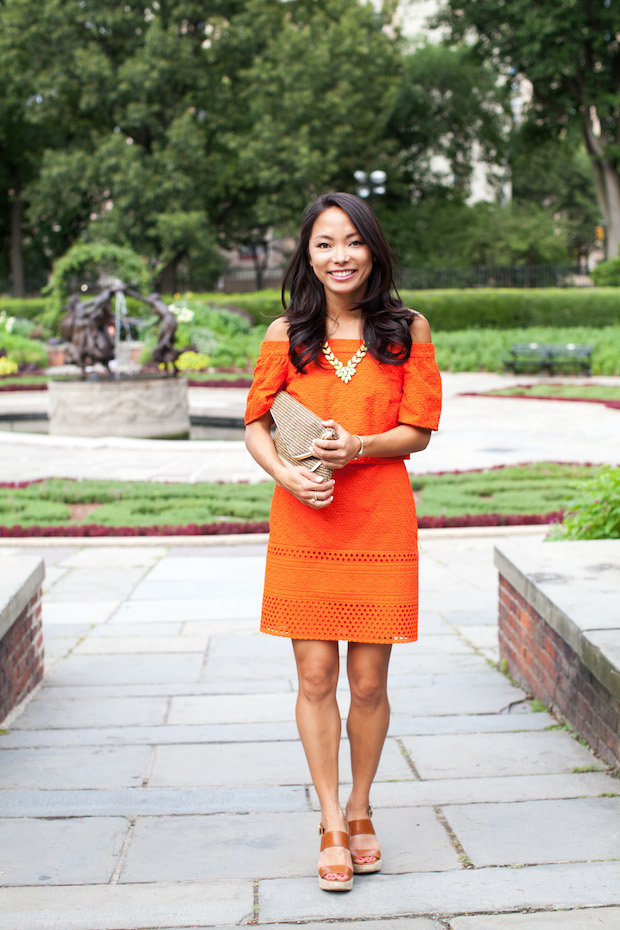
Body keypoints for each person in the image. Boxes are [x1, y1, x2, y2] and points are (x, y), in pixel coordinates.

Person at [244, 192, 442, 892]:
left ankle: (363, 807)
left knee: (368, 681)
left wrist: (357, 444)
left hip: (379, 520)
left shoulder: (407, 329)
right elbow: (256, 425)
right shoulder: (284, 332)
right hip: (305, 521)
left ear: (373, 249)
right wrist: (287, 477)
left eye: (352, 241)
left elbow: (417, 431)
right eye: (325, 243)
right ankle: (331, 819)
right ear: (308, 253)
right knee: (316, 677)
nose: (339, 256)